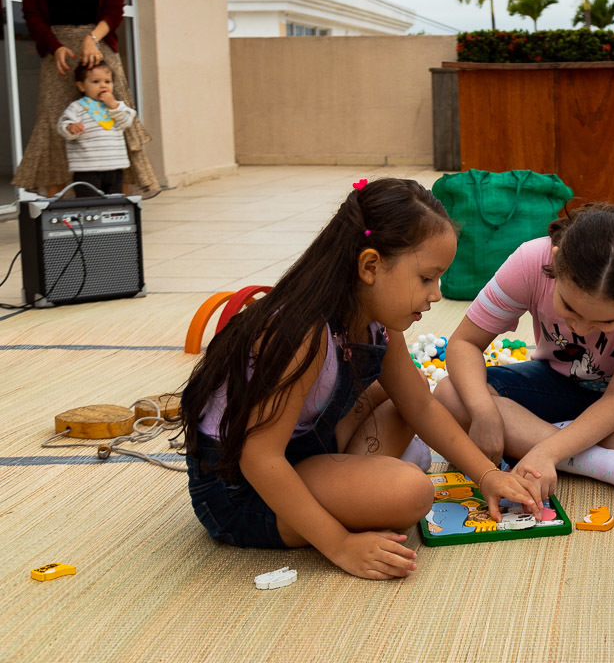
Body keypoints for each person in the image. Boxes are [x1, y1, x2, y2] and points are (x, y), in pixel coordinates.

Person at [181, 178, 541, 580]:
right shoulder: (303, 333)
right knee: (412, 492)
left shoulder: (376, 321)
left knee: (410, 398)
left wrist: (488, 475)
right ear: (370, 266)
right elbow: (259, 458)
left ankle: (350, 488)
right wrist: (340, 545)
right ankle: (342, 501)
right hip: (241, 490)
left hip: (302, 447)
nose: (436, 294)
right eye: (426, 278)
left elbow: (419, 406)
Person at [433, 203, 614, 510]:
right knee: (449, 395)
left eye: (606, 322)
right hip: (561, 380)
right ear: (555, 262)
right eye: (569, 308)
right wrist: (484, 413)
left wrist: (548, 451)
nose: (581, 328)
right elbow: (464, 343)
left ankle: (550, 442)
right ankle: (607, 464)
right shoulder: (530, 261)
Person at [11, 0, 158, 197]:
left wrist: (92, 39)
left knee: (112, 118)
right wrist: (55, 46)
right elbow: (32, 12)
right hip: (58, 51)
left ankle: (118, 205)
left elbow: (114, 10)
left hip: (99, 45)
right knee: (54, 124)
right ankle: (54, 214)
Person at [56, 63, 135, 196]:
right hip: (87, 168)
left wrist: (113, 106)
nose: (103, 85)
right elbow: (62, 125)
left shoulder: (118, 107)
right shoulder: (77, 107)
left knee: (114, 201)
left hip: (114, 166)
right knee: (89, 202)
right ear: (81, 86)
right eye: (96, 82)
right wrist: (70, 128)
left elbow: (127, 122)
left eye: (108, 81)